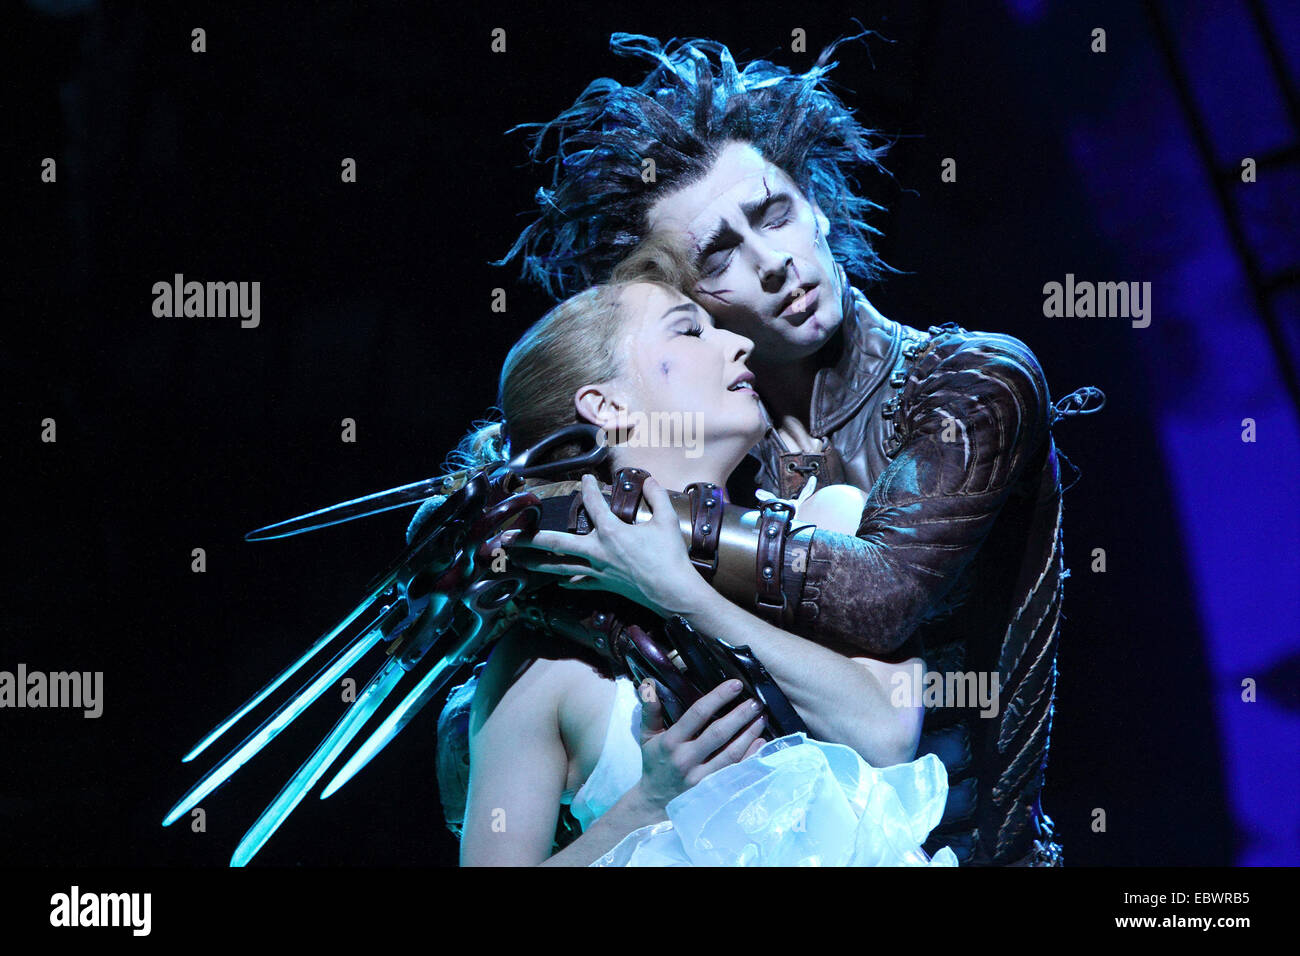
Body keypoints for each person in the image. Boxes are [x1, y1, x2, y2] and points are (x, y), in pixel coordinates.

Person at [495, 33, 1105, 865]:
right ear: (674, 300)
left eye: (775, 212)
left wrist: (632, 514)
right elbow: (483, 759)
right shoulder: (715, 451)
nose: (775, 261)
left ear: (815, 203)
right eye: (720, 255)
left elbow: (885, 595)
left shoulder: (968, 385)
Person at [440, 241, 954, 866]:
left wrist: (677, 590)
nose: (738, 346)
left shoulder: (828, 529)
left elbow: (884, 735)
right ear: (606, 406)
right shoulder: (540, 669)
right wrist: (649, 805)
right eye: (689, 332)